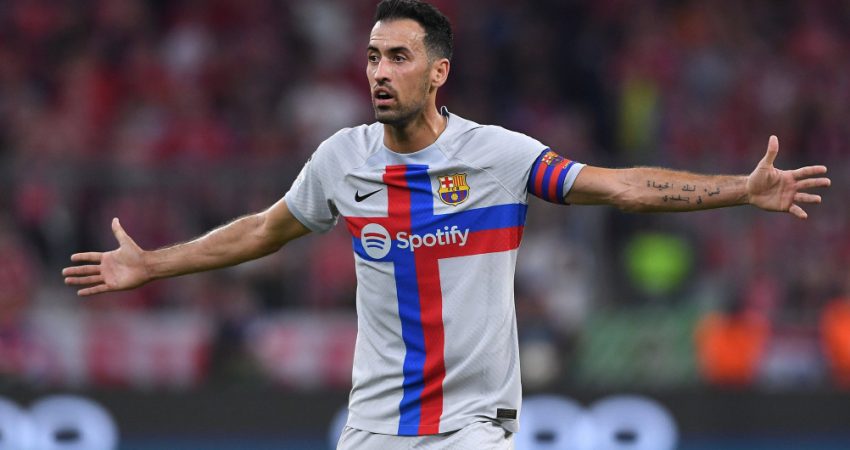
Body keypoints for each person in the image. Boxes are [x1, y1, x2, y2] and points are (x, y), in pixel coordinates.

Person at [63, 0, 831, 448]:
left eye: (398, 57)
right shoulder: (341, 160)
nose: (378, 71)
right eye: (372, 56)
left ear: (438, 72)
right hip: (373, 424)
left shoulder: (498, 155)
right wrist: (153, 263)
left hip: (472, 424)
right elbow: (264, 230)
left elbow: (621, 188)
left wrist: (738, 189)